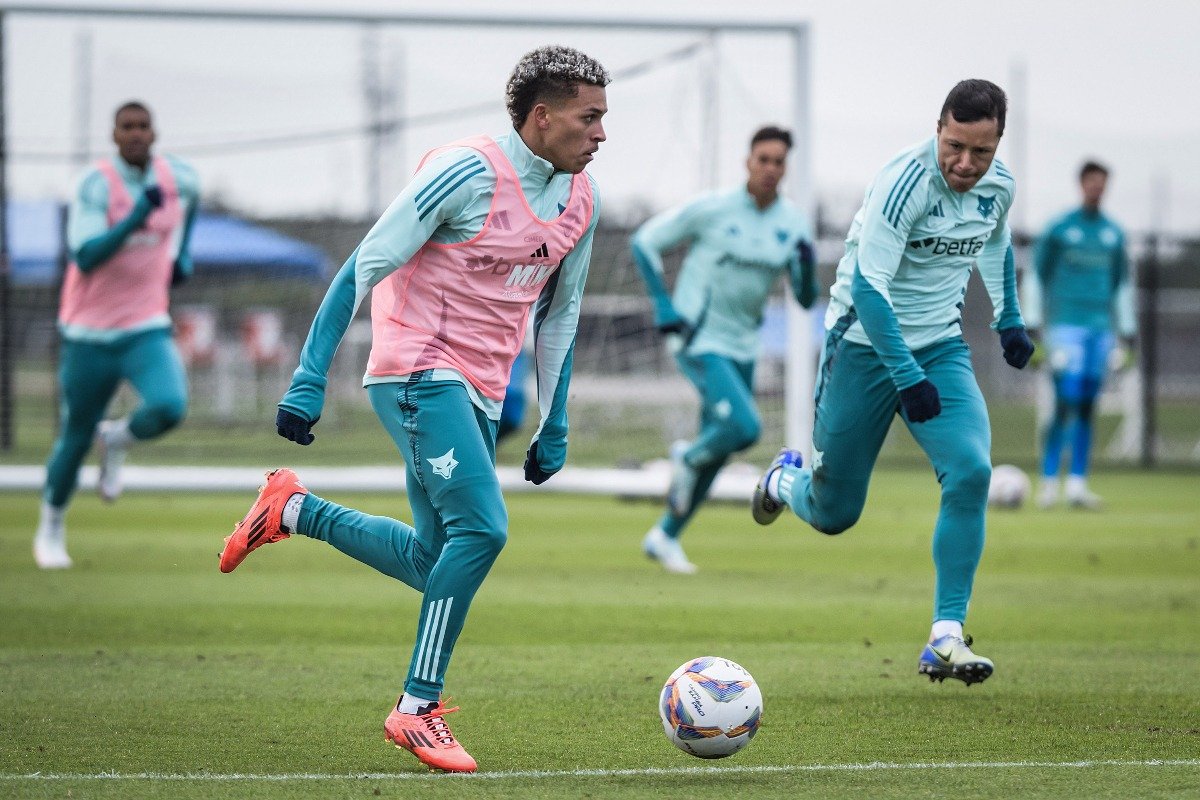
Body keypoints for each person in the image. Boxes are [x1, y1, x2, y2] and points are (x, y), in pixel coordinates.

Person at [217, 46, 609, 773]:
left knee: (437, 558)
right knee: (484, 530)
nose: (601, 135)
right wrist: (308, 375)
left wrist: (555, 421)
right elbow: (362, 266)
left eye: (604, 120)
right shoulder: (465, 172)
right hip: (418, 370)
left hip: (481, 391)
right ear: (544, 116)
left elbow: (562, 316)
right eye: (590, 119)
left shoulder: (582, 201)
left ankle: (292, 510)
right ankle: (417, 707)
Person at [750, 80, 1035, 685]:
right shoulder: (902, 183)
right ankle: (781, 478)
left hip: (939, 347)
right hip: (863, 348)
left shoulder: (999, 185)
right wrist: (904, 374)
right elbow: (870, 290)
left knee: (972, 471)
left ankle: (946, 637)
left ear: (996, 145)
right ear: (938, 129)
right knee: (834, 514)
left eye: (979, 153)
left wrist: (1009, 316)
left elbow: (997, 242)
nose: (964, 164)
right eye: (954, 147)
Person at [632, 126, 817, 574]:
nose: (771, 168)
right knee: (745, 426)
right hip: (698, 336)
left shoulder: (792, 223)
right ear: (748, 161)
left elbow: (806, 298)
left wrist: (807, 271)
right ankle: (686, 457)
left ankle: (666, 535)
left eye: (779, 162)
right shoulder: (714, 208)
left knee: (722, 444)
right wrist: (662, 303)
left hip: (743, 343)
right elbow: (644, 242)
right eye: (763, 159)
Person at [33, 101, 200, 570]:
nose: (136, 134)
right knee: (74, 436)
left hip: (144, 326)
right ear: (113, 134)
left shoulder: (177, 179)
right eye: (127, 127)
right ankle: (51, 525)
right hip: (88, 334)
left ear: (154, 132)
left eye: (143, 126)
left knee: (170, 406)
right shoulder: (95, 185)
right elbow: (85, 257)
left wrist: (180, 254)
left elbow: (194, 199)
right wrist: (134, 219)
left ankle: (119, 439)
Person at [1024, 161, 1134, 509]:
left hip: (1100, 330)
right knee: (1064, 402)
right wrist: (1033, 323)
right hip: (1065, 327)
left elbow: (1122, 285)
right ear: (1081, 184)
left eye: (1102, 184)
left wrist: (1127, 332)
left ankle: (1077, 484)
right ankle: (1048, 482)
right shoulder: (1059, 228)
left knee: (1087, 405)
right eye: (1091, 183)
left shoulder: (1114, 233)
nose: (1096, 189)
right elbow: (1036, 276)